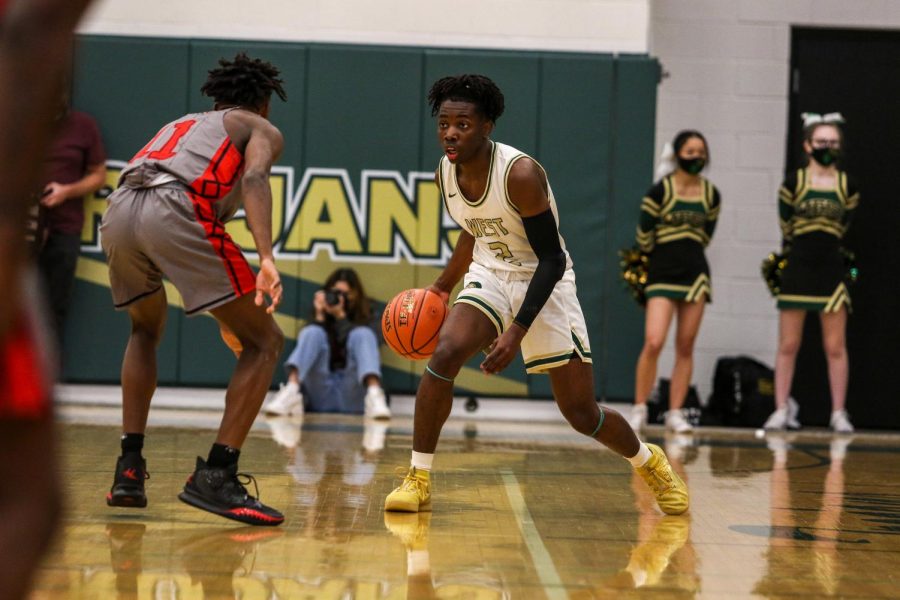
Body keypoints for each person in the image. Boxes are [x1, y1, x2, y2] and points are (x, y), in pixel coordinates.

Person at [384, 74, 688, 517]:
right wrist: (441, 287)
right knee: (444, 354)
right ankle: (418, 477)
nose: (450, 132)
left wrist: (515, 331)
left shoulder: (520, 174)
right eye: (444, 123)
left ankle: (649, 461)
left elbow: (551, 259)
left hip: (544, 279)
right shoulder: (445, 173)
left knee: (582, 414)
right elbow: (473, 234)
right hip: (490, 272)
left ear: (487, 126)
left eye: (463, 124)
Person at [100, 53, 288, 526]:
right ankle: (217, 476)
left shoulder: (183, 123)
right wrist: (265, 258)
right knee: (266, 342)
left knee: (144, 330)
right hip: (173, 205)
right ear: (263, 104)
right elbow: (254, 178)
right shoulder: (260, 128)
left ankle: (129, 467)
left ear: (217, 96)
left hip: (121, 208)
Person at [0, 1, 96, 597]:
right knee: (29, 502)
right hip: (11, 234)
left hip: (48, 236)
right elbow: (37, 31)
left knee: (35, 502)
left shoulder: (79, 127)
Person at [763, 113, 858, 433]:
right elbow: (786, 226)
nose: (827, 147)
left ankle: (838, 412)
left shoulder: (848, 185)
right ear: (808, 145)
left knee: (835, 346)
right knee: (788, 344)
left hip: (831, 268)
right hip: (799, 266)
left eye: (833, 142)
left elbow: (844, 225)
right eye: (821, 142)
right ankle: (780, 408)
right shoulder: (793, 183)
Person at [628, 131, 721, 434]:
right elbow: (644, 236)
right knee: (654, 341)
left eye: (701, 151)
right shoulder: (660, 192)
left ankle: (675, 412)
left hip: (695, 275)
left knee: (686, 345)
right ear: (678, 154)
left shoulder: (711, 194)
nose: (696, 156)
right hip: (662, 272)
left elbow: (706, 235)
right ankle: (640, 407)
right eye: (690, 150)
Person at [263, 267, 391, 419]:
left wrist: (342, 317)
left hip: (354, 394)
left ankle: (374, 395)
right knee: (312, 332)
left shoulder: (369, 314)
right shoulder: (320, 313)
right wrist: (319, 318)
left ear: (356, 295)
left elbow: (373, 345)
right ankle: (291, 390)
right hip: (320, 393)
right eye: (335, 293)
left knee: (363, 334)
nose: (339, 298)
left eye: (345, 294)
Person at [37, 94, 107, 349]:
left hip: (64, 225)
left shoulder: (83, 125)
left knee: (54, 304)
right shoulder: (18, 119)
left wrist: (66, 191)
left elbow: (98, 175)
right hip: (20, 227)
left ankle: (46, 375)